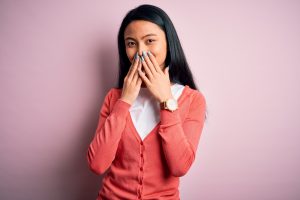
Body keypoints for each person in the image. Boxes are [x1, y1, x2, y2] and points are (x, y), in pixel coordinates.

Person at [87, 4, 207, 200]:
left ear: (169, 42)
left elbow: (180, 166)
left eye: (150, 41)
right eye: (131, 43)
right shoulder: (113, 98)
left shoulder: (193, 100)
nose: (140, 52)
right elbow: (97, 164)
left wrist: (166, 99)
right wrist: (124, 101)